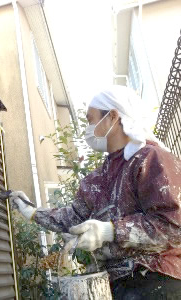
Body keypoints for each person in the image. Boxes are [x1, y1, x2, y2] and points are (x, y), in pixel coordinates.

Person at [10, 85, 181, 299]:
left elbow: (173, 226)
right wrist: (33, 212)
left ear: (112, 117)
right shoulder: (97, 179)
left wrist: (109, 231)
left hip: (158, 280)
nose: (88, 129)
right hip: (116, 285)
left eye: (91, 120)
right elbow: (73, 217)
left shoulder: (151, 159)